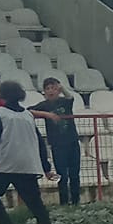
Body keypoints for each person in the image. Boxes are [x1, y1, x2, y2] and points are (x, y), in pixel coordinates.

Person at [0, 80, 60, 224]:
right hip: (28, 166)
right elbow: (39, 142)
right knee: (37, 206)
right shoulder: (28, 115)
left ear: (2, 95)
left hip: (5, 164)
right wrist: (46, 167)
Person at [33, 76, 83, 205]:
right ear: (44, 91)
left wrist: (63, 88)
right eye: (48, 88)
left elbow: (70, 98)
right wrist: (46, 114)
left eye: (54, 88)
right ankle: (64, 203)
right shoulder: (44, 105)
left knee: (75, 174)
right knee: (62, 176)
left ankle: (76, 202)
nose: (51, 91)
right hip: (57, 145)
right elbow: (28, 111)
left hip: (72, 142)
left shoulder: (64, 102)